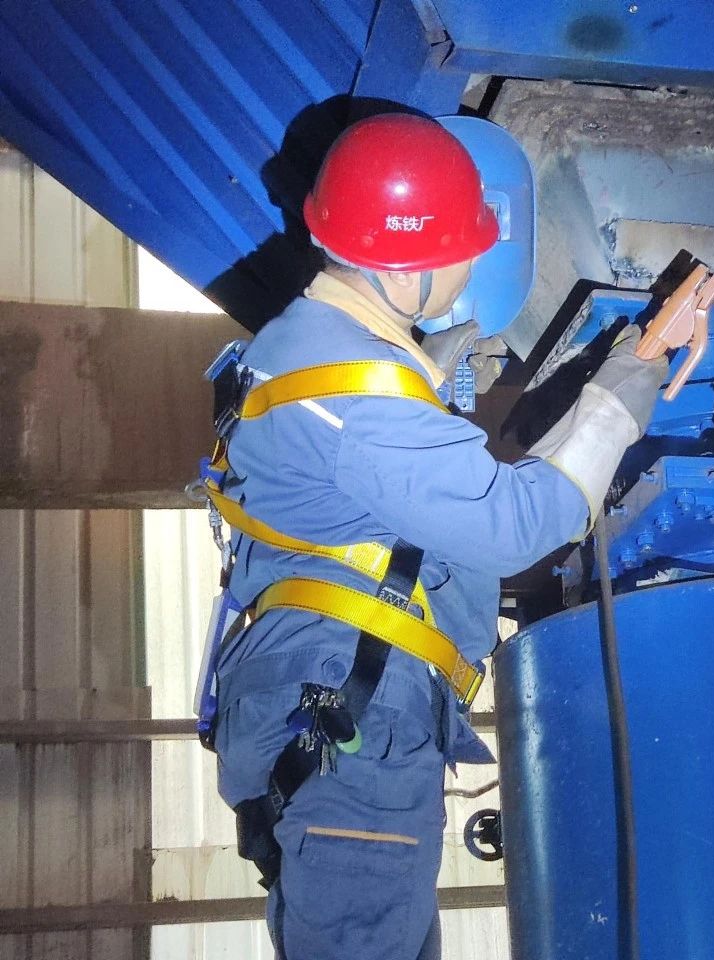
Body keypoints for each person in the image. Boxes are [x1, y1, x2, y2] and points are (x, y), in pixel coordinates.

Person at [201, 113, 666, 960]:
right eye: (464, 249)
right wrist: (623, 395)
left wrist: (427, 368)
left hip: (317, 695)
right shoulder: (361, 398)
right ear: (403, 266)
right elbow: (517, 525)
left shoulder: (298, 340)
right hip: (346, 713)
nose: (475, 263)